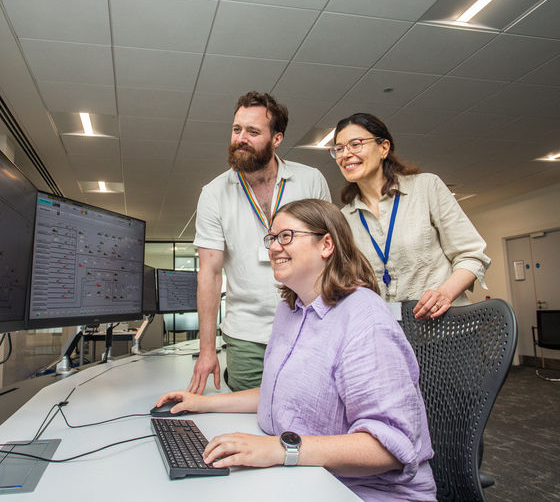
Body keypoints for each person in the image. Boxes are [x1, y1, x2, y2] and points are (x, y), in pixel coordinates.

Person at [156, 199, 435, 501]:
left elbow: (391, 445)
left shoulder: (365, 318)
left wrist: (279, 449)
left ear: (326, 244)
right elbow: (278, 394)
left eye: (286, 236)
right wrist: (203, 403)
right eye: (272, 238)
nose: (274, 247)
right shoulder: (290, 311)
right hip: (305, 476)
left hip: (363, 492)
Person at [189, 91, 330, 394]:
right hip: (246, 335)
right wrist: (207, 350)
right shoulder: (214, 193)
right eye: (236, 129)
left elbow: (329, 253)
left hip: (309, 324)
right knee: (250, 421)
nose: (241, 138)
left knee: (310, 412)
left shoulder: (311, 180)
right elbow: (210, 274)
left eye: (253, 132)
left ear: (276, 138)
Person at [331, 113, 490, 320]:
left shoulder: (426, 187)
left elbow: (472, 255)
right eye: (339, 149)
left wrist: (444, 293)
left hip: (445, 332)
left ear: (383, 148)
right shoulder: (344, 218)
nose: (346, 154)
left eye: (356, 144)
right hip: (389, 333)